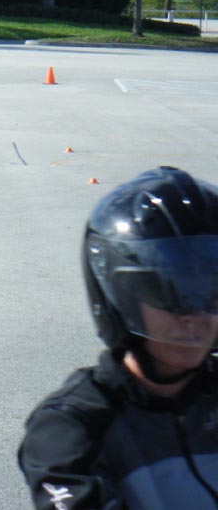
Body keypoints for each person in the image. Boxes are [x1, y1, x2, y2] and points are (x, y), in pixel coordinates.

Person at [19, 166, 218, 508]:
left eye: (211, 293)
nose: (193, 317)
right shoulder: (72, 427)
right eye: (169, 295)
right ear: (123, 299)